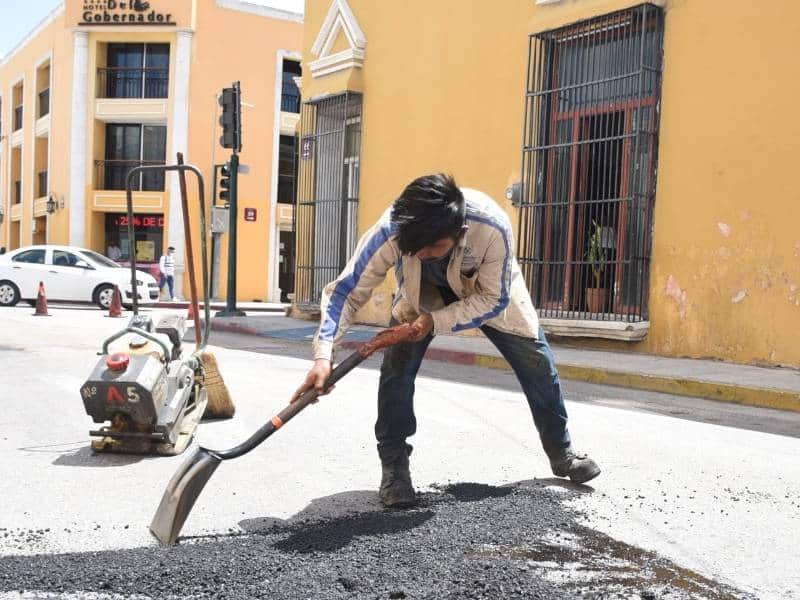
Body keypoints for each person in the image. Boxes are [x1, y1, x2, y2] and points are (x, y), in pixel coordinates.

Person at [293, 173, 600, 508]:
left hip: (486, 294)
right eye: (415, 249)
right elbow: (347, 294)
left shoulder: (491, 227)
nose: (423, 254)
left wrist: (436, 322)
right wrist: (323, 356)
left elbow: (493, 300)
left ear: (460, 232)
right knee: (397, 370)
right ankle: (394, 468)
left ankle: (562, 452)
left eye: (433, 248)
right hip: (418, 296)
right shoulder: (392, 229)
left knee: (537, 362)